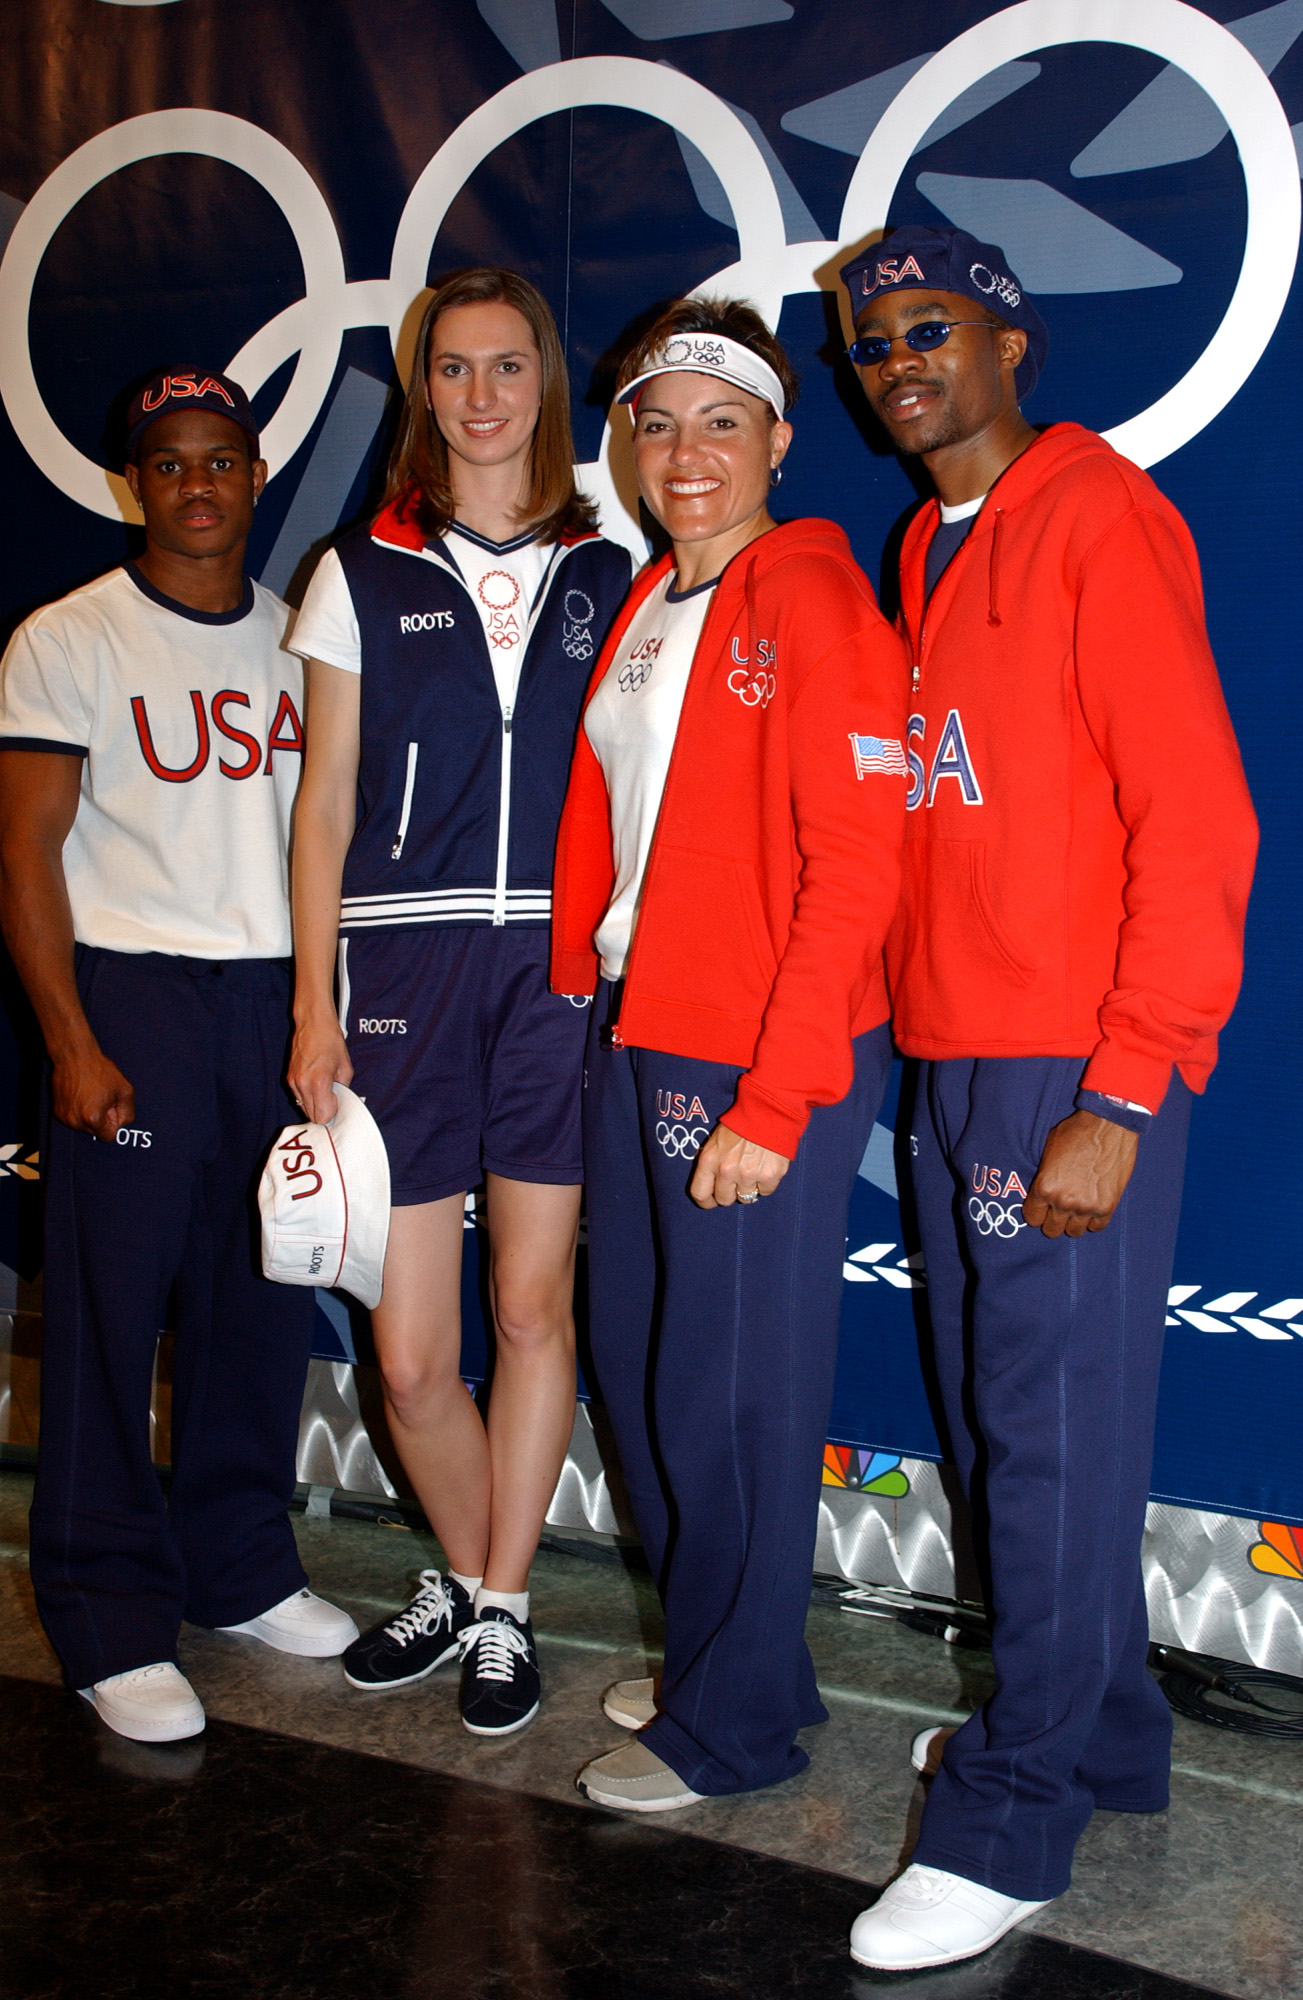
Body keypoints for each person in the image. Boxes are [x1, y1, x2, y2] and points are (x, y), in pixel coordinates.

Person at [837, 225, 1258, 1971]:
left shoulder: (1097, 516)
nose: (900, 363)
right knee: (1014, 1428)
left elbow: (1202, 822)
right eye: (872, 346)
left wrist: (1128, 1086)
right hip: (954, 1065)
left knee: (1049, 1439)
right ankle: (1102, 1741)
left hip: (1067, 1066)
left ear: (1015, 343)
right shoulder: (928, 547)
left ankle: (1011, 1823)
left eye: (931, 330)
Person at [550, 299, 909, 1811]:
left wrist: (779, 1091)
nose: (686, 451)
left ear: (777, 437)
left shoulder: (814, 599)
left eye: (720, 419)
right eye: (656, 420)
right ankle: (720, 1653)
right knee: (647, 1381)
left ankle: (739, 1722)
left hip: (757, 1055)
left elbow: (862, 863)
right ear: (626, 445)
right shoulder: (648, 607)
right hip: (642, 1037)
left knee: (734, 1397)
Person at [287, 268, 632, 1736]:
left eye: (508, 367)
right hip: (402, 976)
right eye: (453, 369)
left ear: (543, 387)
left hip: (552, 973)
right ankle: (477, 1576)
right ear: (422, 390)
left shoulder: (615, 568)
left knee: (531, 1305)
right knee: (416, 1356)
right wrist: (315, 1004)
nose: (481, 395)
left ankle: (496, 1606)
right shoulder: (357, 566)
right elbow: (321, 809)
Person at [0, 368, 359, 1745]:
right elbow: (25, 851)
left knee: (257, 1302)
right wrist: (70, 1037)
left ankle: (241, 1564)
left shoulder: (297, 641)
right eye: (171, 463)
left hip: (271, 1001)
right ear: (132, 484)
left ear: (258, 477)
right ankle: (104, 1612)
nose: (199, 483)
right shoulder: (68, 637)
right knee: (106, 1316)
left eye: (223, 460)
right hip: (134, 994)